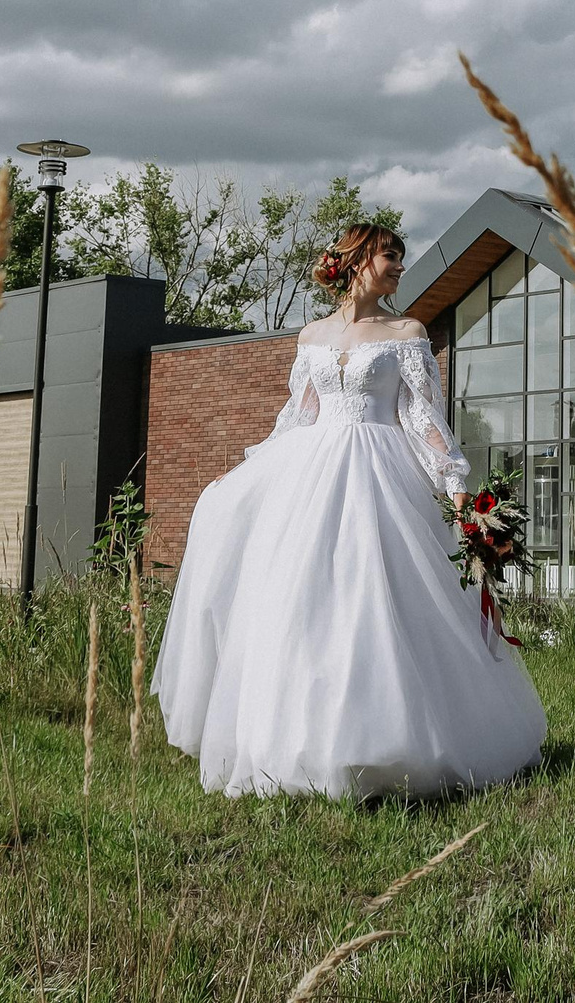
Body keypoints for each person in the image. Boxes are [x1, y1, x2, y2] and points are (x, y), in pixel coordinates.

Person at [152, 222, 546, 797]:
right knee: (304, 605)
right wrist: (246, 470)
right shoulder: (311, 337)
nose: (398, 268)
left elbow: (420, 419)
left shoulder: (406, 332)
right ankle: (299, 748)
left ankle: (399, 743)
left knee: (379, 599)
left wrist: (456, 485)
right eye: (390, 256)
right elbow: (299, 416)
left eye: (399, 259)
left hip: (383, 475)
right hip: (311, 478)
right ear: (359, 259)